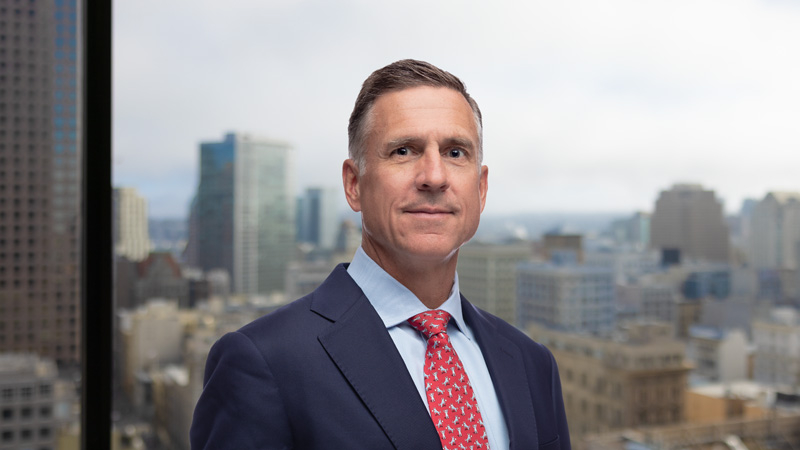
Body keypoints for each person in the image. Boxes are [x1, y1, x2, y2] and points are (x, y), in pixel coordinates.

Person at [190, 59, 570, 450]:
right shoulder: (265, 362)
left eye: (456, 153)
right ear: (354, 184)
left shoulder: (532, 364)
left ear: (481, 188)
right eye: (404, 151)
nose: (434, 176)